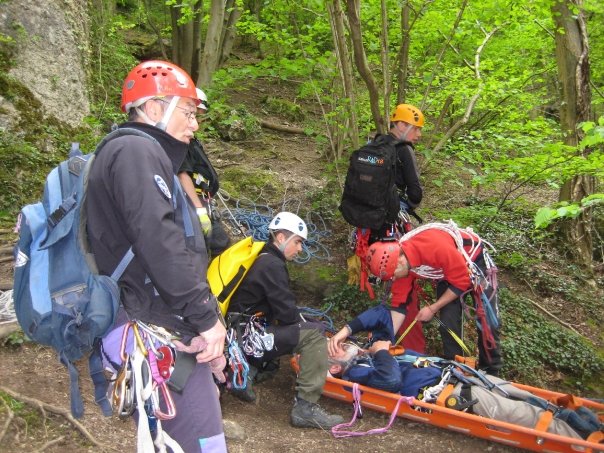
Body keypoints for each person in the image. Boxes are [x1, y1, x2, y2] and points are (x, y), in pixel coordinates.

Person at [86, 60, 227, 452]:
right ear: (153, 108)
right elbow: (159, 241)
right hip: (155, 326)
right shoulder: (134, 151)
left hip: (159, 321)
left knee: (184, 435)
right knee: (204, 442)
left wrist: (204, 323)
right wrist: (205, 319)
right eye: (188, 112)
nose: (195, 124)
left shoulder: (141, 154)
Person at [327, 307, 601, 441]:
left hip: (462, 376)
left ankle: (592, 427)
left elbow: (381, 313)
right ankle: (588, 442)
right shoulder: (357, 373)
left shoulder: (370, 351)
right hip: (455, 394)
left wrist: (345, 332)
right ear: (336, 368)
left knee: (534, 400)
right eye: (337, 349)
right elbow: (390, 381)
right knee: (531, 417)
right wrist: (381, 353)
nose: (343, 346)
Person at [226, 211, 344, 429]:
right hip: (247, 338)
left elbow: (283, 310)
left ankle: (243, 374)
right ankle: (305, 409)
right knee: (315, 335)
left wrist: (304, 320)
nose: (300, 249)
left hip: (237, 333)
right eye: (298, 242)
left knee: (307, 327)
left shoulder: (262, 258)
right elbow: (287, 314)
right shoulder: (272, 265)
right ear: (281, 238)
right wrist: (314, 326)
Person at [365, 222, 503, 376]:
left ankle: (491, 371)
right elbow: (399, 304)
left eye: (393, 275)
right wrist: (386, 338)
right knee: (448, 322)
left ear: (400, 261)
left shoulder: (434, 247)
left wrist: (432, 308)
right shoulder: (401, 263)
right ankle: (456, 367)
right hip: (446, 272)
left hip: (475, 262)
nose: (394, 278)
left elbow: (462, 281)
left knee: (488, 324)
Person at [178, 88, 230, 257]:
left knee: (217, 244)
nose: (196, 123)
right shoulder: (179, 142)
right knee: (218, 244)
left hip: (203, 202)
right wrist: (199, 210)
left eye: (198, 116)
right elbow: (182, 173)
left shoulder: (191, 141)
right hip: (193, 204)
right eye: (192, 115)